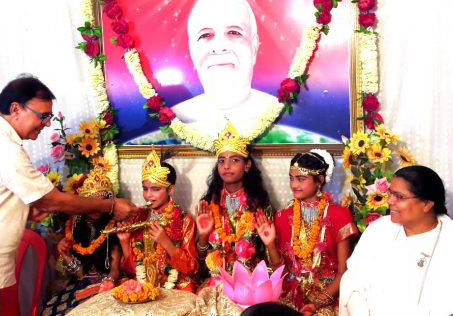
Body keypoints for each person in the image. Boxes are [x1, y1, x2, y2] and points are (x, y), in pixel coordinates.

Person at [0, 74, 138, 316]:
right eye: (43, 116)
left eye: (49, 117)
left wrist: (25, 211)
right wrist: (110, 206)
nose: (47, 123)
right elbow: (52, 200)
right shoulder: (2, 147)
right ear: (16, 109)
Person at [338, 165, 453, 316]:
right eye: (390, 193)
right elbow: (353, 278)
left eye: (399, 197)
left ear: (427, 204)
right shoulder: (379, 230)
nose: (390, 201)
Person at [257, 150, 357, 315]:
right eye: (291, 178)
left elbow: (343, 272)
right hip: (290, 294)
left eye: (301, 179)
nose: (294, 185)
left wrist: (315, 304)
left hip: (328, 296)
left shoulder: (340, 215)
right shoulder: (282, 216)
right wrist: (270, 245)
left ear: (320, 180)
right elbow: (280, 272)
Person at [171, 0, 278, 136]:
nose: (219, 47)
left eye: (234, 32)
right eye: (205, 35)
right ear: (193, 51)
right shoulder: (178, 117)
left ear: (254, 46)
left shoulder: (277, 111)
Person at [194, 120, 274, 285]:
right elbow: (200, 266)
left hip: (250, 282)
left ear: (247, 165)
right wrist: (202, 236)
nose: (227, 166)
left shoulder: (259, 205)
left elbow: (271, 261)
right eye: (222, 161)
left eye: (235, 160)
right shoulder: (209, 204)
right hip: (216, 281)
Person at [42, 168, 123, 315]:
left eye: (102, 202)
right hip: (81, 283)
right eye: (92, 202)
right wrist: (65, 254)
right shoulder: (73, 227)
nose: (97, 207)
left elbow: (115, 267)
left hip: (108, 284)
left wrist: (108, 283)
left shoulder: (113, 225)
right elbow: (80, 273)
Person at [116, 149, 199, 292]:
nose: (148, 195)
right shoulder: (138, 217)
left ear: (170, 190)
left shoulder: (184, 220)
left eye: (155, 189)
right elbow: (132, 269)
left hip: (174, 286)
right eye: (145, 188)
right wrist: (124, 242)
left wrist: (166, 243)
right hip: (144, 285)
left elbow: (191, 268)